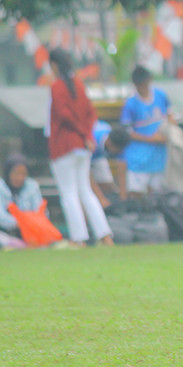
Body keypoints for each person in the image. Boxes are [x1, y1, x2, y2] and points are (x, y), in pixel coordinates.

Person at [47, 49, 114, 247]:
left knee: (69, 193)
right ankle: (104, 236)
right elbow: (90, 112)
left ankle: (79, 238)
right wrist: (87, 135)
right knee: (85, 191)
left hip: (64, 145)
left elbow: (63, 114)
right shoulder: (78, 84)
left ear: (54, 65)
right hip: (83, 145)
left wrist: (82, 133)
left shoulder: (57, 87)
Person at [118, 65, 171, 200]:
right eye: (139, 86)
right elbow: (127, 132)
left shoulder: (161, 96)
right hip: (138, 158)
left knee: (157, 194)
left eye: (144, 84)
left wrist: (168, 134)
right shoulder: (131, 104)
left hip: (159, 157)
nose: (142, 88)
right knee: (136, 194)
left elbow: (170, 118)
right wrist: (152, 139)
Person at [0, 153, 44, 237]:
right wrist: (20, 223)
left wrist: (31, 223)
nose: (20, 178)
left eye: (23, 173)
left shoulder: (31, 185)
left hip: (30, 231)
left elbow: (40, 211)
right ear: (8, 172)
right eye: (16, 173)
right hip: (1, 231)